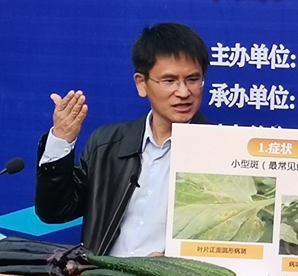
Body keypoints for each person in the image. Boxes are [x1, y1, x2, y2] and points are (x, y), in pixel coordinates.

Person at [34, 22, 210, 256]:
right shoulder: (107, 144)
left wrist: (175, 260)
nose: (184, 92)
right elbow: (55, 212)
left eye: (193, 79)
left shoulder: (218, 150)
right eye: (169, 81)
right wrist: (61, 140)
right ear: (141, 83)